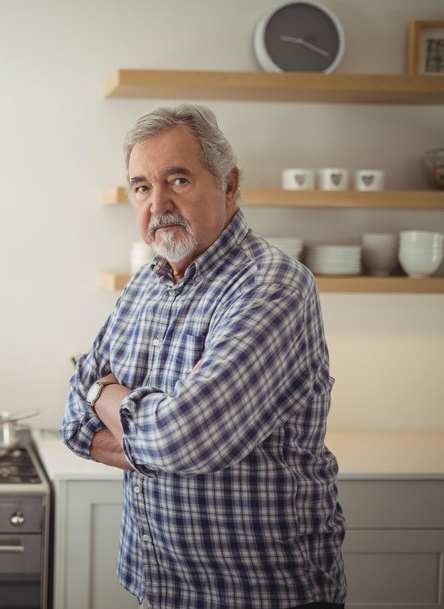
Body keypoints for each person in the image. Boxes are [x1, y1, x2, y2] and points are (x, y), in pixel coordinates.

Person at [61, 104, 347, 608]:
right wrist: (150, 423)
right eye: (142, 187)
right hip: (158, 585)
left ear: (229, 184)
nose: (159, 204)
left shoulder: (271, 286)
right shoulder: (145, 285)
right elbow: (74, 424)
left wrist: (104, 392)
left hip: (260, 593)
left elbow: (180, 440)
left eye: (178, 180)